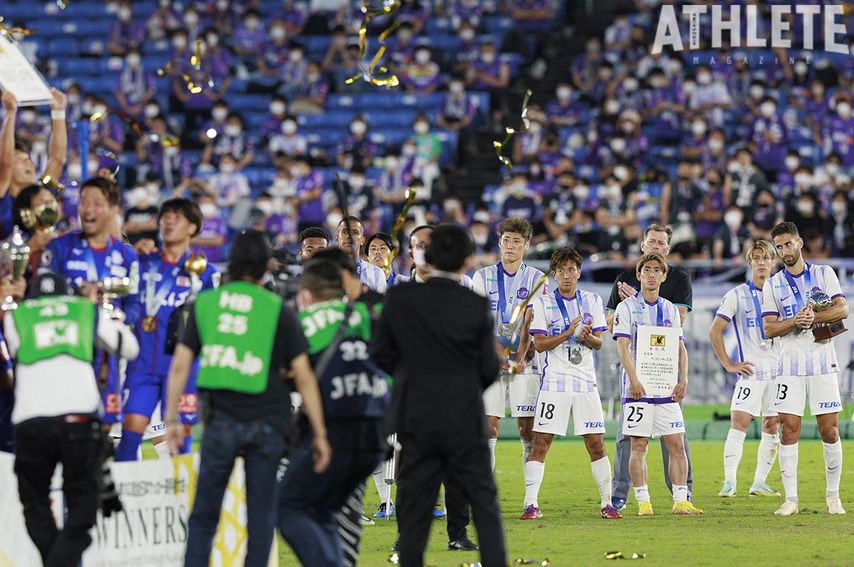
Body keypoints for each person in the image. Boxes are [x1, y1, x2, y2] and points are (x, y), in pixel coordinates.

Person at [164, 230, 331, 566]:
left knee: (204, 516)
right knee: (260, 518)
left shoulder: (205, 304)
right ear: (266, 266)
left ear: (232, 261)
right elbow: (304, 376)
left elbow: (180, 365)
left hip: (219, 420)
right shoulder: (278, 308)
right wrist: (320, 433)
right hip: (268, 421)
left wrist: (170, 418)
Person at [372, 224, 507, 567]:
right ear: (467, 260)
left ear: (427, 255)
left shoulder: (400, 298)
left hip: (415, 416)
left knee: (414, 497)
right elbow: (489, 368)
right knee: (484, 503)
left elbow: (381, 356)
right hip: (464, 416)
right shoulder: (475, 304)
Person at [5, 272, 139, 567]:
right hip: (80, 418)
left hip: (32, 421)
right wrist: (104, 315)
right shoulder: (84, 310)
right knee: (82, 507)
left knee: (35, 504)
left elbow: (15, 348)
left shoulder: (17, 316)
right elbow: (130, 348)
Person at [278, 259, 389, 565]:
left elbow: (286, 374)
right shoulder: (365, 314)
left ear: (305, 294)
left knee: (288, 508)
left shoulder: (303, 321)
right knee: (322, 511)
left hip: (335, 430)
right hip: (376, 434)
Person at [115, 199, 219, 461]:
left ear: (192, 228)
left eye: (177, 217)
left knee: (179, 442)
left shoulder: (205, 273)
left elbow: (212, 326)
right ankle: (119, 490)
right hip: (143, 367)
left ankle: (181, 490)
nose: (169, 221)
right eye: (166, 216)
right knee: (129, 437)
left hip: (183, 370)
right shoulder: (142, 262)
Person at [524, 248, 621, 520]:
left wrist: (586, 337)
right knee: (541, 442)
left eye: (571, 270)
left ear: (578, 272)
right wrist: (568, 333)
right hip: (554, 383)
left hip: (585, 383)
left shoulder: (591, 300)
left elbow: (599, 343)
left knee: (596, 444)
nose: (566, 275)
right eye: (561, 271)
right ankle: (530, 504)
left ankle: (607, 503)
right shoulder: (543, 303)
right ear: (554, 275)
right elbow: (539, 344)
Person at [761, 222, 847, 516]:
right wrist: (794, 321)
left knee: (830, 430)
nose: (784, 251)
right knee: (789, 430)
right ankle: (791, 499)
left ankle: (833, 496)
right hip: (790, 366)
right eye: (779, 247)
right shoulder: (772, 284)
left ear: (799, 243)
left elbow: (843, 309)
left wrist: (817, 316)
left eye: (788, 244)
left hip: (822, 363)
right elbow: (768, 328)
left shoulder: (824, 274)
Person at [605, 224, 694, 510]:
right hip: (637, 379)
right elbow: (611, 326)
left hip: (664, 376)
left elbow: (679, 328)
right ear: (643, 245)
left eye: (661, 242)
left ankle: (682, 496)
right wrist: (630, 305)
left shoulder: (679, 281)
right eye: (651, 241)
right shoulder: (623, 283)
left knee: (676, 440)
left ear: (668, 249)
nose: (656, 246)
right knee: (631, 441)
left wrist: (683, 379)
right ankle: (625, 497)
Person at [41, 177, 141, 428]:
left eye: (97, 203)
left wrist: (119, 317)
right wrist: (76, 297)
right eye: (84, 202)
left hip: (108, 358)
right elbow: (41, 300)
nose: (88, 210)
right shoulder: (59, 248)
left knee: (105, 430)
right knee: (67, 426)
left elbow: (134, 305)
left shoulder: (127, 256)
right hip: (67, 353)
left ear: (114, 209)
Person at [472, 217, 546, 472]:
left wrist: (520, 356)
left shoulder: (537, 278)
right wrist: (495, 354)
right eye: (506, 240)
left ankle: (530, 493)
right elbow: (479, 320)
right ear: (499, 242)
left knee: (527, 431)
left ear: (526, 244)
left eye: (516, 241)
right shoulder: (482, 276)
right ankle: (485, 491)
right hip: (490, 361)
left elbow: (532, 320)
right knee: (488, 430)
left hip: (525, 362)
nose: (510, 246)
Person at [709, 240, 782, 498]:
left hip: (779, 371)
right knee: (739, 422)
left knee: (772, 425)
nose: (762, 262)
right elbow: (715, 331)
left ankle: (759, 482)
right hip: (751, 370)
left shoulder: (782, 293)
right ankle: (729, 481)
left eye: (766, 258)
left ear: (773, 262)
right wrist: (728, 364)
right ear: (749, 262)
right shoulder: (737, 294)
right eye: (757, 258)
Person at [0, 90, 68, 237]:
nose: (29, 162)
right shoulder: (2, 196)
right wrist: (10, 114)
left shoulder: (44, 192)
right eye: (19, 159)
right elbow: (5, 163)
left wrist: (58, 113)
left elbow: (57, 159)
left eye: (28, 158)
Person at [396, 225, 473, 288]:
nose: (426, 252)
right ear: (410, 252)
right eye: (420, 246)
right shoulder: (398, 284)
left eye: (431, 246)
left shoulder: (465, 282)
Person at [335, 216, 388, 293]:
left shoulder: (377, 273)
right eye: (345, 232)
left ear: (362, 240)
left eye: (355, 232)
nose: (350, 236)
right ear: (337, 238)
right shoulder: (326, 269)